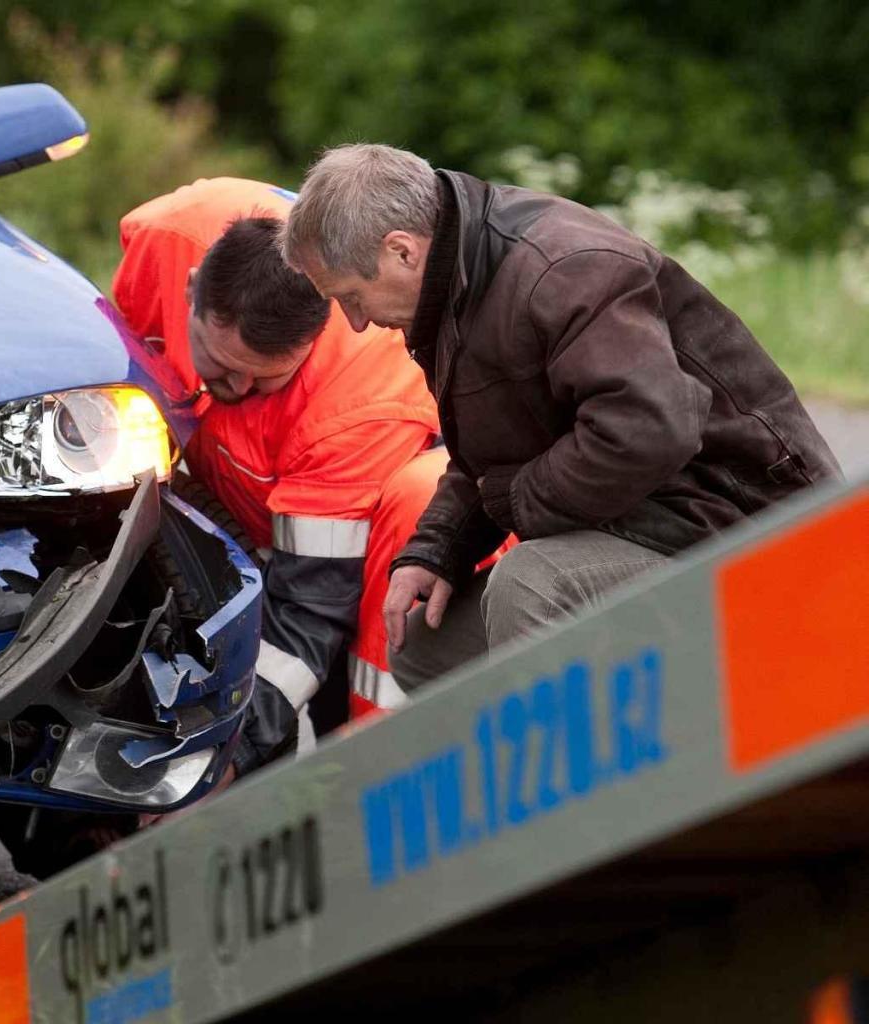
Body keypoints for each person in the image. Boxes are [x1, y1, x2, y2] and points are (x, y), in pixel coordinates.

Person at [280, 144, 842, 689]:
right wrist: (438, 549)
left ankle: (594, 784)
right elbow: (492, 452)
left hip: (746, 535)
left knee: (532, 584)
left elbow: (649, 430)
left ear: (401, 250)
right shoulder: (454, 287)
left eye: (352, 297)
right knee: (426, 648)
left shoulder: (563, 269)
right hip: (645, 520)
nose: (354, 323)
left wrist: (514, 499)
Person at [112, 178, 444, 777]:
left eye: (264, 381)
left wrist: (225, 759)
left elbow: (310, 610)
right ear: (192, 290)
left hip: (335, 557)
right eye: (220, 364)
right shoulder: (170, 238)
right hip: (233, 504)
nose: (234, 391)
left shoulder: (357, 407)